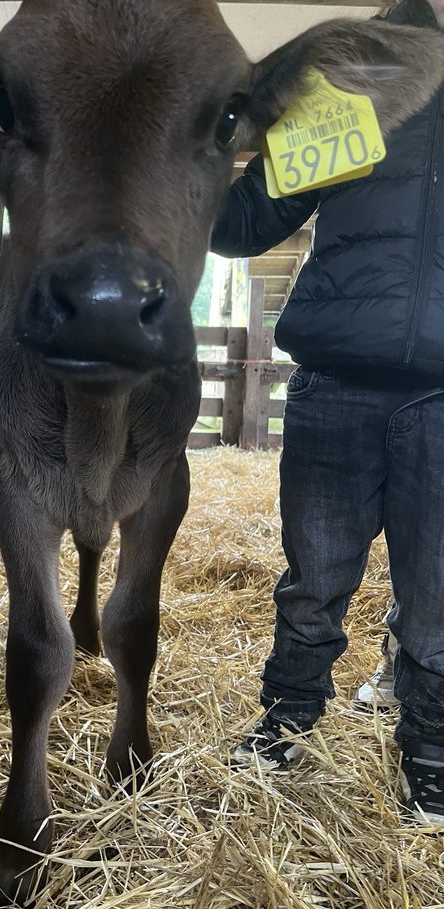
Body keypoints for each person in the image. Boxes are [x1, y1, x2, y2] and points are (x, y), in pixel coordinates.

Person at [211, 0, 444, 825]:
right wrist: (193, 143)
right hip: (337, 373)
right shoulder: (362, 71)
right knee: (313, 581)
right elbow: (249, 218)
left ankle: (431, 748)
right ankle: (289, 719)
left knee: (439, 597)